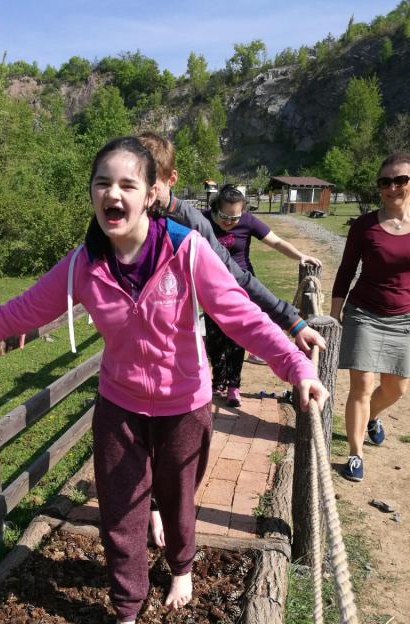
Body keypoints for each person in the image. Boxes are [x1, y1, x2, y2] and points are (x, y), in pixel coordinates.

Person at [0, 137, 328, 624]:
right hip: (120, 406)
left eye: (128, 184)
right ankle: (127, 608)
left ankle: (181, 565)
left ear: (151, 194)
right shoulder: (83, 265)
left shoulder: (186, 250)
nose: (114, 194)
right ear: (91, 193)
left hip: (185, 404)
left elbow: (241, 317)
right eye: (103, 183)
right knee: (120, 512)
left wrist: (296, 367)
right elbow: (19, 311)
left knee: (178, 499)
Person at [137, 132, 326, 543]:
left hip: (179, 358)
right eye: (131, 179)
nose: (139, 192)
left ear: (169, 179)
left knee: (181, 449)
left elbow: (238, 280)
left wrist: (292, 321)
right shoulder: (114, 217)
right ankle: (150, 511)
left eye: (148, 180)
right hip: (132, 365)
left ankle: (166, 514)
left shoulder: (191, 224)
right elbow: (79, 269)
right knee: (139, 447)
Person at [171, 182, 322, 408]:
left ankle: (234, 385)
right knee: (215, 339)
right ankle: (218, 380)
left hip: (241, 285)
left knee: (237, 339)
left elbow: (276, 241)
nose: (230, 222)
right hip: (211, 288)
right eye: (225, 217)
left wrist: (300, 255)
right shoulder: (202, 220)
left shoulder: (248, 221)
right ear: (215, 209)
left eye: (235, 218)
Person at [330, 151, 410, 482]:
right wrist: (335, 313)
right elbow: (346, 270)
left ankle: (372, 417)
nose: (392, 187)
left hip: (404, 318)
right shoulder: (365, 226)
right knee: (362, 385)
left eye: (400, 180)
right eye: (385, 182)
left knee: (396, 389)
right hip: (364, 313)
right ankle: (355, 453)